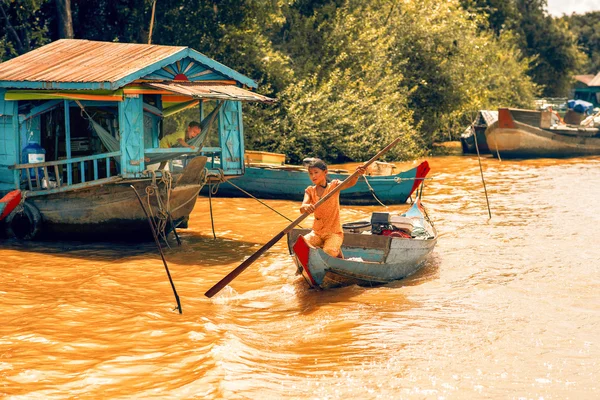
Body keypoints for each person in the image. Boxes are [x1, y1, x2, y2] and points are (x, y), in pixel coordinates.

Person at [299, 158, 366, 258]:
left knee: (328, 252)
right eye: (310, 173)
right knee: (300, 246)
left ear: (325, 172)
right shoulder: (310, 191)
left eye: (316, 172)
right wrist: (306, 207)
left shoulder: (334, 186)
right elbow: (302, 208)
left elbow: (349, 183)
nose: (313, 176)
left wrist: (356, 174)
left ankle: (336, 252)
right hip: (317, 232)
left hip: (334, 233)